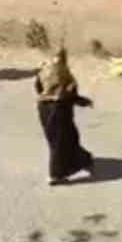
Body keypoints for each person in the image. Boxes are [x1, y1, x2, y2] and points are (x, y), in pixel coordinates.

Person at [35, 49, 94, 186]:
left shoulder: (42, 70)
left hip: (44, 109)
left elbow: (38, 88)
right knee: (61, 142)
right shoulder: (65, 75)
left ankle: (83, 160)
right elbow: (71, 94)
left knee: (66, 138)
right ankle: (55, 174)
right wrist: (84, 102)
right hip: (59, 110)